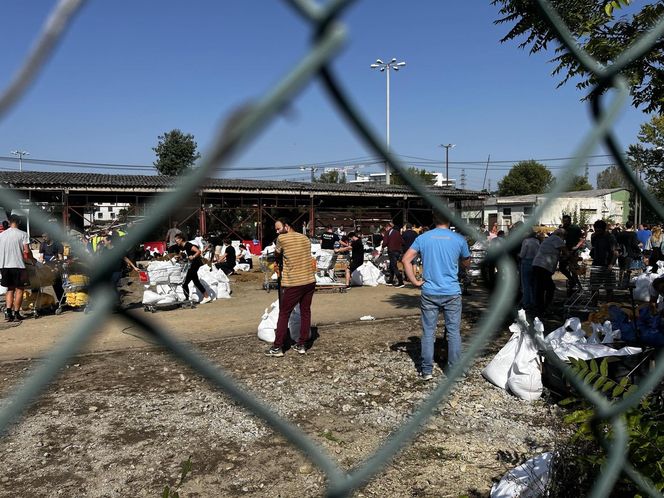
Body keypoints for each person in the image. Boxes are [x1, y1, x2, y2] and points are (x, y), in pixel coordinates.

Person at [402, 211, 471, 381]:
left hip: (430, 291)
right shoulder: (459, 239)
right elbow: (467, 262)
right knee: (454, 332)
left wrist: (415, 281)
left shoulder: (424, 238)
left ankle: (426, 370)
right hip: (452, 291)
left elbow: (406, 260)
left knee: (428, 332)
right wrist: (461, 263)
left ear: (433, 221)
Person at [265, 219, 316, 357]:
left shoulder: (282, 238)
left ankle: (278, 347)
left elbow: (277, 253)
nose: (277, 231)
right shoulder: (305, 238)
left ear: (287, 227)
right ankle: (302, 344)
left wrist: (277, 256)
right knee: (305, 312)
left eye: (278, 228)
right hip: (309, 281)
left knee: (284, 313)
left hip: (294, 282)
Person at [0, 215, 30, 322]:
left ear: (9, 222)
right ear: (19, 222)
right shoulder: (23, 234)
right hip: (18, 265)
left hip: (4, 266)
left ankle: (8, 313)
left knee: (10, 289)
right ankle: (16, 313)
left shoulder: (2, 235)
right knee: (20, 289)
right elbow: (26, 251)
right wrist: (32, 260)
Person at [531, 229, 566, 315]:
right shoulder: (557, 239)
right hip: (544, 266)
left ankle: (540, 309)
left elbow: (553, 253)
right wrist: (572, 259)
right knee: (550, 287)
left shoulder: (549, 239)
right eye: (564, 236)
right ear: (561, 235)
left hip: (537, 265)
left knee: (540, 288)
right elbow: (566, 251)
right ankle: (545, 307)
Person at [173, 233, 211, 304]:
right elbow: (184, 255)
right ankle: (206, 297)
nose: (176, 241)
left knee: (185, 283)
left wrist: (193, 257)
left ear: (181, 239)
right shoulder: (182, 247)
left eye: (177, 240)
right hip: (190, 265)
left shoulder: (188, 245)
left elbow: (198, 251)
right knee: (196, 281)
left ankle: (187, 300)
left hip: (194, 265)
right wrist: (179, 257)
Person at [589, 219, 617, 303]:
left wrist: (611, 264)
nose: (597, 232)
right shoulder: (594, 236)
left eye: (599, 230)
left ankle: (609, 306)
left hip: (607, 265)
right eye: (595, 230)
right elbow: (594, 247)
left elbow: (615, 252)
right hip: (596, 264)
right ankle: (594, 304)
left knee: (608, 287)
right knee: (594, 287)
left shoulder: (610, 237)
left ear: (604, 229)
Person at [560, 215, 584, 296]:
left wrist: (576, 246)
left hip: (574, 252)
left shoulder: (575, 228)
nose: (565, 222)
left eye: (566, 221)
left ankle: (578, 287)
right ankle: (571, 280)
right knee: (561, 268)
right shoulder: (562, 228)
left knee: (573, 270)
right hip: (565, 251)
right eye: (564, 221)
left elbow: (581, 239)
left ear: (570, 221)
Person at [518, 229, 540, 310]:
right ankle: (533, 301)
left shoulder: (526, 241)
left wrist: (519, 256)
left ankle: (526, 302)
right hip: (535, 262)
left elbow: (523, 253)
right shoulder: (537, 241)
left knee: (525, 284)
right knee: (533, 284)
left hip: (526, 262)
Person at [39, 232, 65, 303]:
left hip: (56, 266)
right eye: (42, 237)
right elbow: (41, 257)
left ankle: (62, 301)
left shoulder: (58, 245)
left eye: (45, 236)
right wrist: (42, 261)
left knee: (57, 284)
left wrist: (57, 261)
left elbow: (61, 258)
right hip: (46, 266)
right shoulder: (42, 245)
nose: (44, 238)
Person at [382, 221, 405, 288]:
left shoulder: (387, 232)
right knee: (392, 266)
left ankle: (401, 282)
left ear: (387, 227)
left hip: (392, 251)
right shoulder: (397, 232)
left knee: (394, 266)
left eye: (385, 228)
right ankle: (391, 280)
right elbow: (402, 241)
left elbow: (385, 242)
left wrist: (382, 247)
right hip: (398, 251)